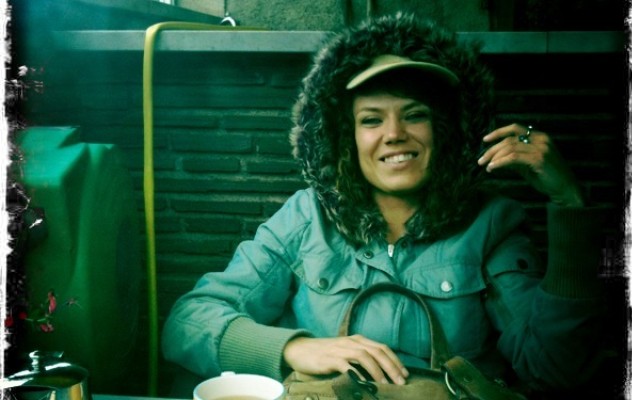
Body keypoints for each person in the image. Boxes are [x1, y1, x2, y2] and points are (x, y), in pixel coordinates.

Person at [162, 13, 608, 396]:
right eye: (371, 120)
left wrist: (570, 203)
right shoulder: (306, 218)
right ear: (346, 139)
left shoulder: (490, 223)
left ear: (445, 131)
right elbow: (187, 323)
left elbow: (555, 371)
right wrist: (296, 348)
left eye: (415, 115)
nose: (394, 134)